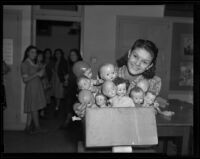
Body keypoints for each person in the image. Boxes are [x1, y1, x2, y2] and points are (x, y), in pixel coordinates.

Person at [74, 39, 162, 117]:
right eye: (135, 56)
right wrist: (77, 107)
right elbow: (88, 96)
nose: (137, 63)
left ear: (149, 66)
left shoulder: (153, 82)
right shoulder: (108, 75)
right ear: (129, 53)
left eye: (144, 62)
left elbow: (153, 107)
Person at [20, 45, 47, 134]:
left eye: (35, 52)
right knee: (34, 107)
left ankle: (27, 127)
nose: (34, 54)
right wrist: (37, 74)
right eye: (32, 52)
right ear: (27, 53)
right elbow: (25, 79)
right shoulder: (25, 64)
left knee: (32, 107)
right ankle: (37, 128)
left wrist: (42, 69)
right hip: (31, 87)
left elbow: (42, 74)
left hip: (37, 87)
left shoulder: (34, 63)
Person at [60, 48, 83, 129]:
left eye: (73, 54)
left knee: (75, 108)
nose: (72, 56)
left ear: (77, 55)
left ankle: (73, 124)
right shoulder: (71, 65)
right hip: (70, 88)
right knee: (69, 107)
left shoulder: (80, 64)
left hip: (77, 89)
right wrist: (67, 79)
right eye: (70, 55)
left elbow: (83, 77)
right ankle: (70, 123)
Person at [52, 49, 68, 114]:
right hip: (55, 78)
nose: (57, 55)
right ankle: (57, 106)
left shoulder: (64, 61)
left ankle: (57, 107)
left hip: (60, 79)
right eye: (56, 53)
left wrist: (65, 80)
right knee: (55, 93)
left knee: (59, 94)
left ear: (61, 54)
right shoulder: (55, 61)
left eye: (58, 53)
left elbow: (65, 71)